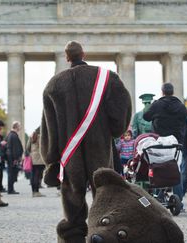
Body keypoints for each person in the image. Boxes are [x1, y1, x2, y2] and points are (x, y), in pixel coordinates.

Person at [40, 40, 131, 243]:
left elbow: (49, 128)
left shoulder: (53, 85)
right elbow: (121, 111)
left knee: (72, 196)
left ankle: (72, 237)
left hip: (69, 152)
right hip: (99, 146)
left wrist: (51, 159)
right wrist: (114, 131)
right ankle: (105, 233)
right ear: (84, 54)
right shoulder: (107, 78)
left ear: (67, 58)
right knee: (104, 192)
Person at [143, 83, 186, 207]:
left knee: (158, 166)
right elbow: (184, 122)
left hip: (160, 140)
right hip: (175, 142)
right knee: (176, 169)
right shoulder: (180, 106)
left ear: (162, 91)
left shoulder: (157, 104)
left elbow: (146, 116)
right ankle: (179, 200)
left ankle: (158, 196)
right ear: (172, 92)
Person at [26, 127, 46, 197]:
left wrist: (31, 153)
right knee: (38, 175)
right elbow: (43, 147)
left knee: (33, 175)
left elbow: (27, 147)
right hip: (39, 158)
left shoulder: (31, 137)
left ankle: (33, 191)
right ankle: (36, 192)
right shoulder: (40, 137)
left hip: (33, 158)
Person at [5, 121, 24, 194]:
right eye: (19, 126)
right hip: (12, 158)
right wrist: (16, 159)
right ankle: (10, 189)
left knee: (11, 174)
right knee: (11, 174)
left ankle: (11, 189)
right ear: (16, 127)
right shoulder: (13, 135)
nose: (20, 127)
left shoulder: (10, 135)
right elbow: (15, 148)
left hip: (10, 158)